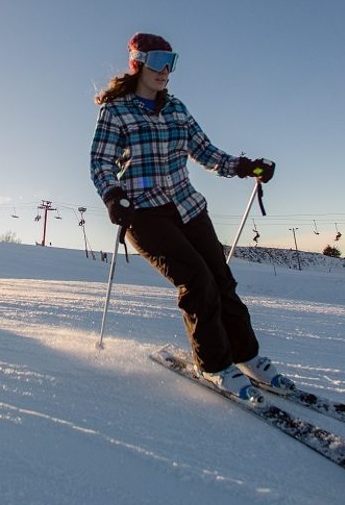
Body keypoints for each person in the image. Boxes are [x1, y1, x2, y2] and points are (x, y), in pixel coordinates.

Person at [89, 32, 290, 404]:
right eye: (158, 61)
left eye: (172, 61)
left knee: (221, 280)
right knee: (197, 281)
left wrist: (246, 167)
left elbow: (206, 151)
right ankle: (213, 364)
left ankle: (246, 356)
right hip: (145, 213)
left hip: (188, 206)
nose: (166, 70)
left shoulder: (178, 108)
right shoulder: (116, 110)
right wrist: (113, 196)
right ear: (138, 63)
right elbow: (100, 163)